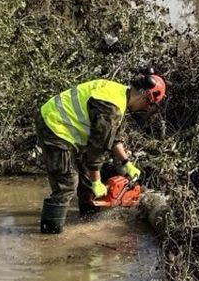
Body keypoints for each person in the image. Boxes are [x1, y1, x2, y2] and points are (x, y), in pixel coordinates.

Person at [36, 71, 166, 234]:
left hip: (65, 128)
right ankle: (50, 235)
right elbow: (97, 149)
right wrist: (97, 182)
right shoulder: (110, 107)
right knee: (68, 182)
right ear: (144, 95)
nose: (144, 109)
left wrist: (127, 163)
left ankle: (87, 221)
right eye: (147, 105)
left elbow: (113, 137)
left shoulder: (118, 95)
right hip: (54, 126)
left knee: (85, 181)